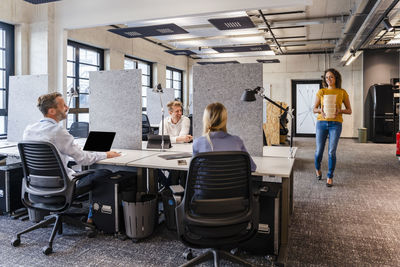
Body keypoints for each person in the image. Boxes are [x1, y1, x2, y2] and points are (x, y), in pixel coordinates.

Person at [23, 92, 121, 223]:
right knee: (104, 173)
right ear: (52, 110)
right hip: (63, 187)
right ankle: (93, 217)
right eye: (63, 105)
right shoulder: (58, 131)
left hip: (35, 187)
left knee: (79, 171)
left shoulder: (29, 129)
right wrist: (106, 154)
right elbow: (83, 159)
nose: (67, 108)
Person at [313, 68, 352, 187]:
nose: (328, 79)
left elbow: (349, 110)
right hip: (321, 123)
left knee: (331, 152)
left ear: (336, 78)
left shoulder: (342, 92)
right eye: (326, 77)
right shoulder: (321, 92)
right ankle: (317, 168)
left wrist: (340, 111)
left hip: (335, 124)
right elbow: (314, 109)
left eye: (331, 77)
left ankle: (330, 176)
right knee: (319, 151)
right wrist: (321, 110)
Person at [193, 102, 256, 172]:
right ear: (224, 120)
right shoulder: (237, 141)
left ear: (205, 120)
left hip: (204, 182)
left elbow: (194, 171)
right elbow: (252, 168)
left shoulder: (198, 143)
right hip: (233, 182)